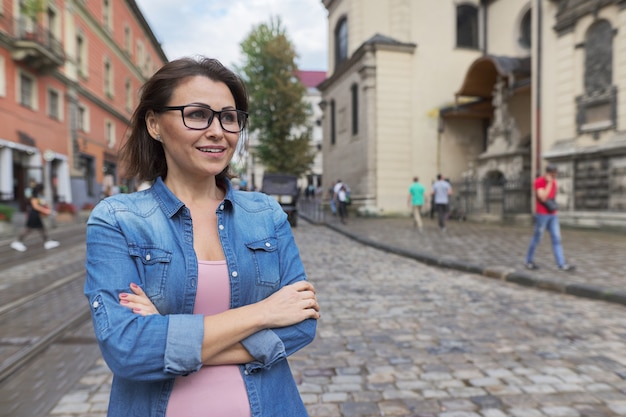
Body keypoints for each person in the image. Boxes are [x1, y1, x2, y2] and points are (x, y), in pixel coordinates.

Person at [84, 57, 320, 417]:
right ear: (154, 124)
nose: (218, 131)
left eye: (229, 117)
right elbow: (127, 348)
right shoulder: (119, 219)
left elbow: (301, 325)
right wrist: (263, 313)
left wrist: (168, 335)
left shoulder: (266, 214)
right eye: (197, 114)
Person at [525, 164, 575, 271]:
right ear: (548, 173)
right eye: (553, 173)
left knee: (557, 239)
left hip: (553, 215)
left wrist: (551, 182)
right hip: (542, 215)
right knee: (537, 238)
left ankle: (561, 264)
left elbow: (551, 198)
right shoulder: (539, 181)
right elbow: (543, 197)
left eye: (555, 173)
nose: (555, 175)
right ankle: (529, 261)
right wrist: (549, 183)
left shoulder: (554, 182)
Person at [10, 183, 60, 252]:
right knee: (28, 229)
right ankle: (17, 242)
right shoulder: (34, 196)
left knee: (41, 229)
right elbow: (36, 207)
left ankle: (47, 241)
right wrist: (47, 211)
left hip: (35, 215)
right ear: (40, 189)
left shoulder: (37, 196)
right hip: (33, 215)